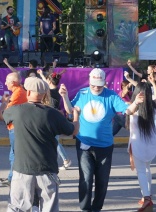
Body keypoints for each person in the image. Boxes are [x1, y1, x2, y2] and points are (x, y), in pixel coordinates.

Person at [59, 68, 143, 211]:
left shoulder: (111, 96)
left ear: (104, 83)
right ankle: (85, 208)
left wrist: (136, 103)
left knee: (102, 181)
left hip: (104, 146)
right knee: (85, 179)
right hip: (84, 144)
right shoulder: (83, 93)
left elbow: (127, 111)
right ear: (90, 82)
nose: (96, 88)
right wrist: (65, 97)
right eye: (93, 85)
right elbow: (70, 110)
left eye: (99, 85)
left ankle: (96, 209)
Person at [2, 77, 79, 211]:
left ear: (28, 92)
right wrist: (76, 115)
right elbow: (74, 131)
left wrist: (4, 102)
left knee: (17, 208)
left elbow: (1, 115)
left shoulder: (15, 111)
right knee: (49, 208)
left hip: (22, 170)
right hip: (47, 170)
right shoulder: (53, 114)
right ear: (44, 93)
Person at [127, 82, 156, 212]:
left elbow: (127, 112)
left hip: (138, 145)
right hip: (151, 145)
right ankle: (147, 195)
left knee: (140, 171)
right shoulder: (154, 110)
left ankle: (147, 198)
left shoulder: (133, 110)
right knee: (147, 168)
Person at [38, 69, 72, 170]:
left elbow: (46, 83)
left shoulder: (51, 92)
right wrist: (42, 75)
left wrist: (42, 76)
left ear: (49, 81)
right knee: (52, 140)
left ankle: (66, 159)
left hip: (51, 117)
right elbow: (48, 81)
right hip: (54, 116)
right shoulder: (55, 90)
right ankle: (59, 160)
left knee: (54, 140)